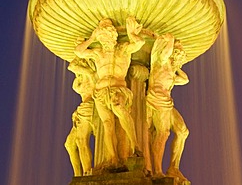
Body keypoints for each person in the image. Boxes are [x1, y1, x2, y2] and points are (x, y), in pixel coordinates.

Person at [74, 17, 145, 168]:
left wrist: (131, 33)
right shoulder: (98, 53)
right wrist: (92, 37)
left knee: (121, 110)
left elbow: (139, 43)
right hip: (100, 92)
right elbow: (79, 51)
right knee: (107, 124)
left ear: (113, 37)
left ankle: (135, 147)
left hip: (117, 89)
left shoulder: (122, 49)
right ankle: (113, 158)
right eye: (101, 38)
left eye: (106, 36)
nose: (104, 40)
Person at [146, 34, 189, 181]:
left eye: (180, 56)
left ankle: (173, 167)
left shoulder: (170, 70)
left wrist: (176, 67)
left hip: (167, 102)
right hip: (157, 99)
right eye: (177, 54)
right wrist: (170, 41)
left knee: (183, 131)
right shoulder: (160, 61)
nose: (178, 57)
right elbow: (164, 54)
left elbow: (184, 79)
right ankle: (157, 169)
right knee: (162, 134)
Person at [64, 57, 97, 176]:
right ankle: (78, 175)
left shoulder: (91, 74)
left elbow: (71, 66)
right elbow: (73, 66)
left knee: (81, 140)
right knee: (69, 144)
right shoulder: (81, 77)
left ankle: (88, 172)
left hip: (90, 107)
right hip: (82, 108)